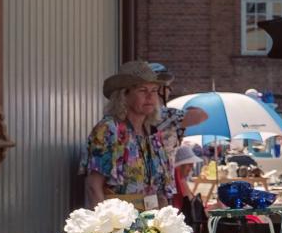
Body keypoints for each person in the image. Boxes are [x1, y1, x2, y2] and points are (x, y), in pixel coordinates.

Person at [84, 61, 206, 208]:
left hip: (151, 220)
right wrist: (104, 227)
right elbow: (93, 187)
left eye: (154, 90)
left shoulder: (153, 134)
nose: (150, 97)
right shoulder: (109, 129)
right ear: (124, 95)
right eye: (142, 90)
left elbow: (160, 190)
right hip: (119, 221)